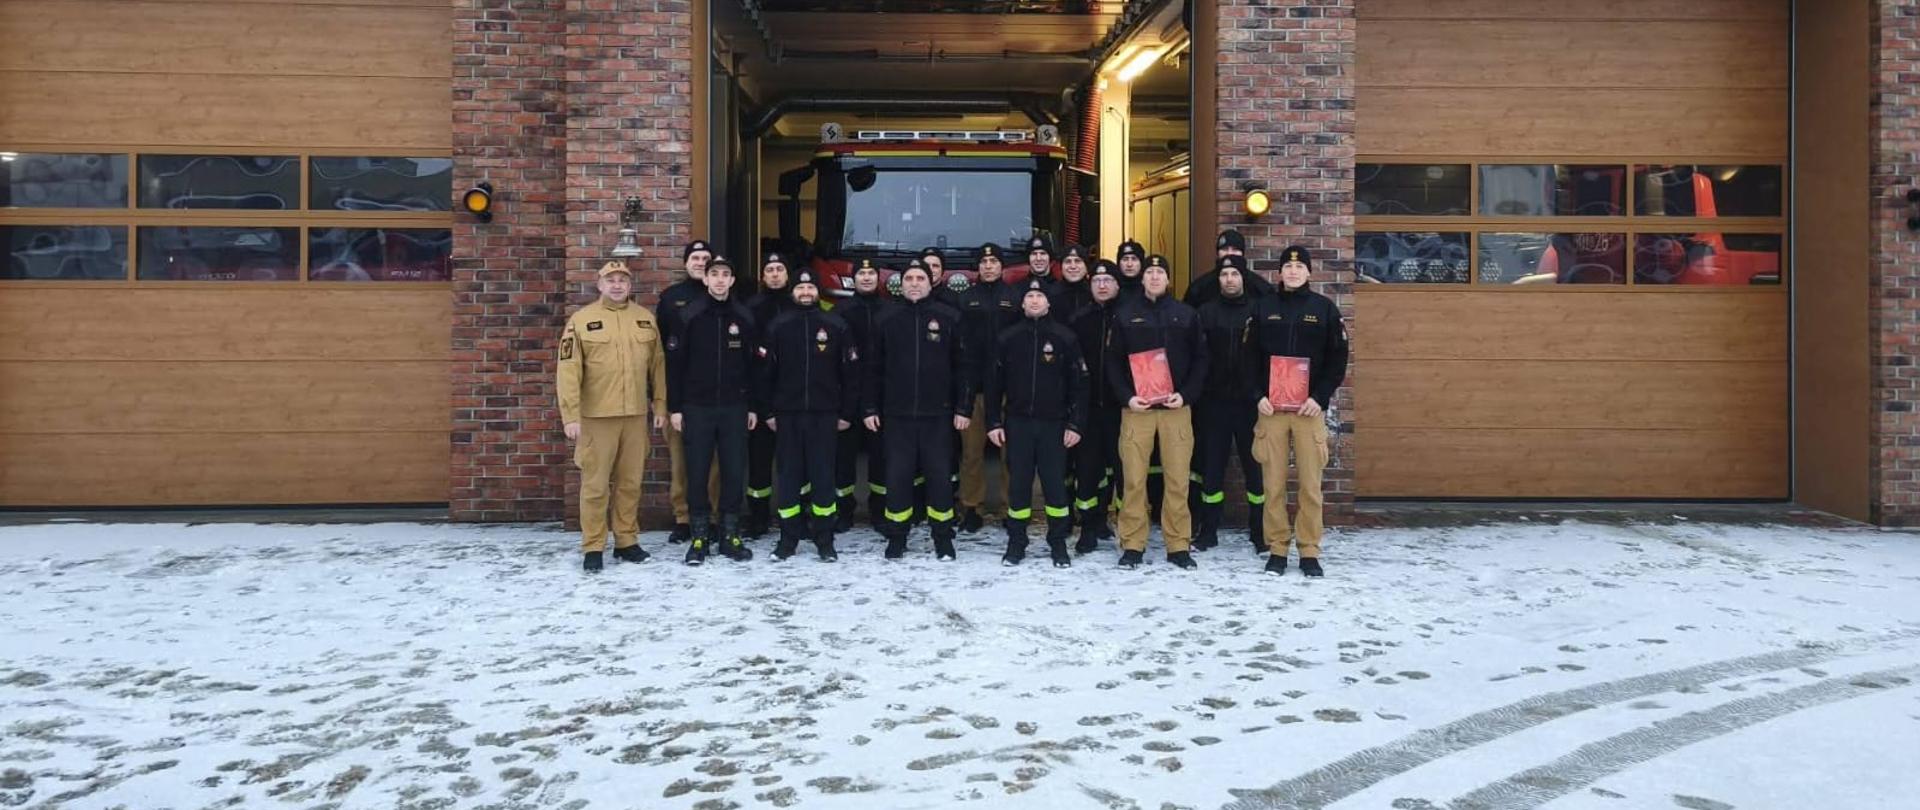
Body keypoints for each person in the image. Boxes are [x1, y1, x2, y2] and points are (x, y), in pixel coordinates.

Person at [557, 260, 668, 572]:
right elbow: (568, 371)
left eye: (623, 280)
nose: (617, 285)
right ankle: (593, 546)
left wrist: (659, 405)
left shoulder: (645, 320)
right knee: (595, 486)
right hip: (596, 418)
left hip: (634, 416)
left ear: (630, 285)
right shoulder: (581, 320)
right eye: (611, 280)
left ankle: (626, 541)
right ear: (600, 284)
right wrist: (571, 415)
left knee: (630, 483)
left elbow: (658, 367)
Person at [1248, 246, 1349, 577]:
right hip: (1271, 410)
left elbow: (1338, 360)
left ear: (1309, 273)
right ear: (1279, 273)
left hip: (1309, 410)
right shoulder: (1263, 308)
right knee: (1273, 485)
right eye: (1287, 268)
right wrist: (1257, 395)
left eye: (1299, 267)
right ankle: (1277, 549)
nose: (1292, 272)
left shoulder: (1324, 310)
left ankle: (1309, 551)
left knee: (1310, 484)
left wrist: (1319, 398)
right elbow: (1245, 360)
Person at [864, 262, 971, 560]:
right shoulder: (886, 319)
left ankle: (943, 537)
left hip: (938, 415)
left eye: (920, 278)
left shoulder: (949, 317)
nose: (914, 283)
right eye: (908, 278)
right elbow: (872, 368)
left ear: (930, 283)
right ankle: (897, 537)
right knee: (897, 477)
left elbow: (963, 367)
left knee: (939, 478)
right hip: (896, 415)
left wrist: (963, 407)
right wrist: (870, 406)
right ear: (901, 284)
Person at [1107, 256, 1208, 569]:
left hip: (1175, 409)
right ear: (1142, 279)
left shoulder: (1186, 315)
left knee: (1177, 480)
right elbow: (1112, 363)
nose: (1153, 277)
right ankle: (1133, 544)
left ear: (1168, 279)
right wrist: (1126, 397)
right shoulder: (1125, 316)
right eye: (1149, 272)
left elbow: (1201, 361)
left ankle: (1178, 544)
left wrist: (1186, 395)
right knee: (1134, 481)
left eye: (1159, 272)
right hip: (1137, 410)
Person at [756, 270, 859, 562]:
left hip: (825, 415)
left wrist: (846, 413)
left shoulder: (836, 325)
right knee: (788, 477)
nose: (805, 292)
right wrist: (768, 411)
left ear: (818, 292)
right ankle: (788, 540)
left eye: (810, 287)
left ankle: (824, 539)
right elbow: (764, 375)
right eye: (800, 287)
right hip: (787, 415)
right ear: (794, 291)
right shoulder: (778, 325)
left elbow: (851, 375)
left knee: (823, 477)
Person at [987, 280, 1088, 567]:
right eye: (1029, 295)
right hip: (1017, 423)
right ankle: (1017, 543)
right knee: (1018, 485)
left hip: (1054, 425)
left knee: (1055, 486)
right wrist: (994, 421)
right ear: (1022, 303)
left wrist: (1075, 424)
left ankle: (1058, 544)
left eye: (1039, 295)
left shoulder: (1064, 338)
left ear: (1048, 303)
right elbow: (993, 384)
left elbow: (1080, 385)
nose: (1034, 300)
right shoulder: (1007, 338)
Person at [667, 257, 757, 565]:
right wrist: (675, 408)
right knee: (697, 473)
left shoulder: (744, 316)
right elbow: (674, 366)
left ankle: (731, 536)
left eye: (725, 275)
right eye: (714, 274)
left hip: (734, 408)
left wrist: (753, 406)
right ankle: (699, 537)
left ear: (732, 281)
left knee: (733, 472)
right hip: (697, 407)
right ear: (705, 280)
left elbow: (753, 367)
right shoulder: (689, 315)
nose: (719, 280)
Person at [1192, 255, 1266, 554]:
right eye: (1224, 275)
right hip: (1214, 404)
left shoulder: (1258, 311)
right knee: (1212, 469)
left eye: (1235, 274)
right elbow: (1197, 356)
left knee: (1255, 469)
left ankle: (1259, 531)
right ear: (1218, 280)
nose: (1230, 279)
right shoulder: (1205, 313)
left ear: (1243, 278)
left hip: (1251, 404)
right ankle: (1208, 531)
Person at [954, 243, 1019, 533]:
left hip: (1009, 389)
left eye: (994, 261)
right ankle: (971, 507)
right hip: (976, 388)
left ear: (1001, 266)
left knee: (1010, 454)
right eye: (984, 262)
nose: (989, 266)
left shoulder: (1014, 297)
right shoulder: (965, 299)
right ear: (977, 267)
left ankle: (1010, 507)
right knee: (971, 453)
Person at [660, 240, 715, 545]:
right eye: (695, 257)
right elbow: (661, 351)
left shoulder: (723, 296)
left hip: (715, 397)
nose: (700, 262)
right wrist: (664, 399)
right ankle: (683, 517)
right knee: (680, 460)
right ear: (686, 263)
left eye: (706, 258)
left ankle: (713, 516)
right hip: (680, 396)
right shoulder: (671, 299)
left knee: (715, 463)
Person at [1069, 260, 1125, 554]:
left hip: (1123, 409)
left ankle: (1128, 531)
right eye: (1097, 280)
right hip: (1089, 409)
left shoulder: (1129, 317)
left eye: (1108, 280)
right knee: (1088, 472)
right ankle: (1089, 528)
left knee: (1124, 472)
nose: (1102, 285)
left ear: (1118, 285)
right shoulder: (1079, 319)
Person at [834, 259, 891, 528]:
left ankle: (879, 510)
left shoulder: (890, 311)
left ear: (878, 278)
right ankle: (844, 510)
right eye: (861, 273)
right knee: (843, 458)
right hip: (847, 394)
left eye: (871, 273)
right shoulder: (841, 310)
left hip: (881, 396)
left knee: (880, 457)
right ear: (853, 279)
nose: (866, 278)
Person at [743, 251, 795, 539]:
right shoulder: (751, 308)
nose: (775, 274)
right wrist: (755, 403)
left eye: (780, 269)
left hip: (793, 399)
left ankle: (798, 516)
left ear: (788, 275)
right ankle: (758, 517)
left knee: (795, 463)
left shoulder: (798, 305)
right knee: (759, 463)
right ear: (763, 276)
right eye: (770, 269)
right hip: (762, 397)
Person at [1184, 229, 1274, 307]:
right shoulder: (1199, 288)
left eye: (1235, 249)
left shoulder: (1261, 288)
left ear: (1243, 253)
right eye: (1225, 249)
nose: (1229, 253)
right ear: (1218, 253)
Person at [1049, 245, 1094, 324]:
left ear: (1086, 267)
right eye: (1068, 261)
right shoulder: (1051, 294)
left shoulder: (1095, 293)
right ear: (1061, 267)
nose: (1073, 266)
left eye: (1077, 261)